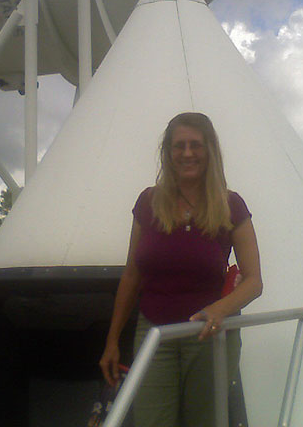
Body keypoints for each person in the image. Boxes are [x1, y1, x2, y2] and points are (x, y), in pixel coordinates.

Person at [99, 112, 262, 427]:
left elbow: (254, 281)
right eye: (179, 146)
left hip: (208, 335)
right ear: (168, 152)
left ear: (209, 150)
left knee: (204, 421)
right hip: (154, 332)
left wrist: (219, 310)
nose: (187, 153)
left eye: (196, 145)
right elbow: (132, 275)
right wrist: (112, 340)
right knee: (151, 420)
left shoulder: (231, 205)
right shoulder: (148, 203)